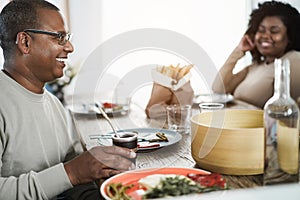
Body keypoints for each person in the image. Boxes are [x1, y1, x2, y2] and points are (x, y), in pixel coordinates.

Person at [0, 1, 136, 199]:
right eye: (60, 37)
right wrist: (72, 172)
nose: (70, 48)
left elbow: (74, 171)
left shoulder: (54, 105)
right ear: (25, 42)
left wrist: (102, 171)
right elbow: (71, 172)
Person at [212, 0, 300, 109]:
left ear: (290, 36)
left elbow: (287, 112)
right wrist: (239, 50)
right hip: (235, 122)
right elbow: (219, 89)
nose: (265, 35)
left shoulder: (293, 60)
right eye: (261, 30)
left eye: (274, 31)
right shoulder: (256, 66)